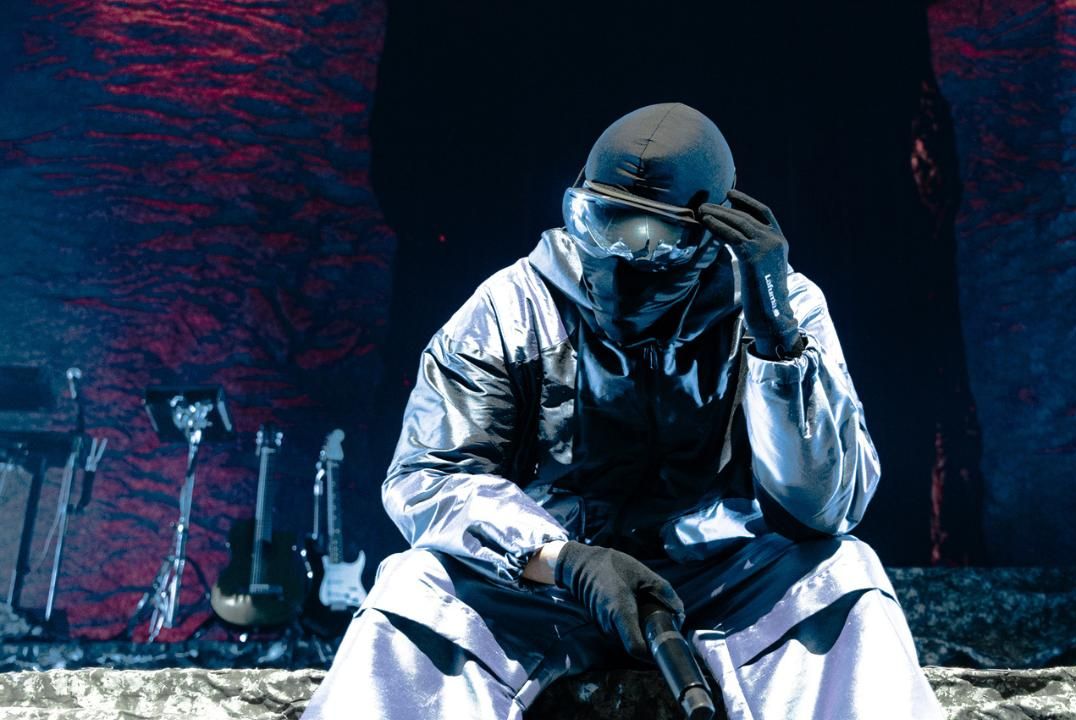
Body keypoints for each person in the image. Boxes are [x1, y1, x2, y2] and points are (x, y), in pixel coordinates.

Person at [303, 102, 943, 719]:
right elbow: (430, 474)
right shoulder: (510, 309)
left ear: (710, 236)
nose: (621, 259)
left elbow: (826, 511)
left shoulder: (780, 307)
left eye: (652, 240)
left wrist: (778, 347)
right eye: (600, 223)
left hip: (722, 586)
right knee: (414, 585)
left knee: (843, 571)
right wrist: (562, 560)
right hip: (547, 589)